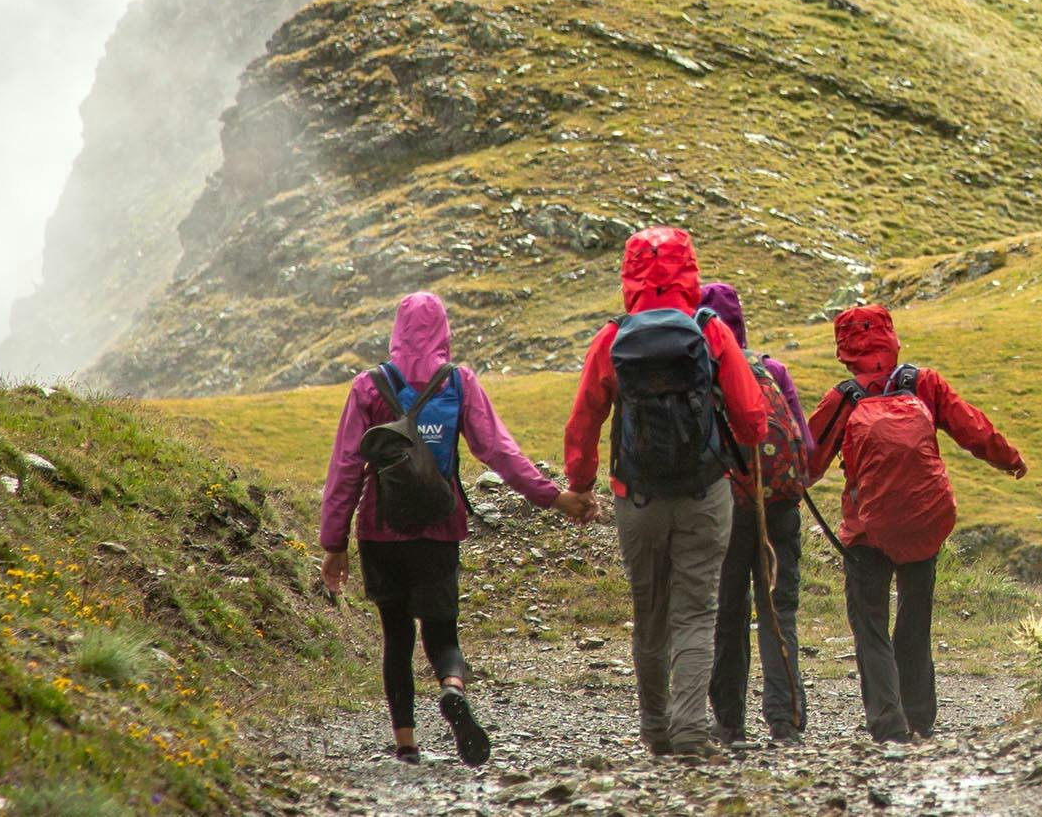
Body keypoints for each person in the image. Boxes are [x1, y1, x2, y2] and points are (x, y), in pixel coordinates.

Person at [320, 291, 589, 766]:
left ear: (396, 330)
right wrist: (553, 496)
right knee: (443, 634)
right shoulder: (458, 382)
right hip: (440, 528)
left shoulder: (368, 386)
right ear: (443, 330)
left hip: (380, 532)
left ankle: (406, 744)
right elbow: (498, 452)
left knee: (396, 637)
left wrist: (334, 543)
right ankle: (451, 688)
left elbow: (345, 468)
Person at [564, 227, 768, 761]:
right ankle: (690, 732)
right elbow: (751, 420)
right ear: (689, 269)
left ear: (629, 274)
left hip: (637, 498)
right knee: (697, 611)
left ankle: (655, 730)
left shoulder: (612, 338)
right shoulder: (711, 331)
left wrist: (580, 486)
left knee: (649, 610)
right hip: (705, 493)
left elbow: (585, 418)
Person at [806, 304, 1027, 743]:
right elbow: (973, 428)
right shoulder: (922, 383)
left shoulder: (843, 399)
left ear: (843, 348)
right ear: (892, 337)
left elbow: (807, 464)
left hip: (866, 530)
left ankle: (888, 723)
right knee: (914, 614)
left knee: (869, 623)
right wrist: (1010, 459)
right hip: (922, 523)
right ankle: (920, 715)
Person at [699, 281, 816, 745]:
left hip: (725, 507)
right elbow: (805, 445)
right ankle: (785, 720)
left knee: (727, 613)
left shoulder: (703, 374)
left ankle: (729, 721)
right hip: (780, 505)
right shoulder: (773, 369)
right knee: (777, 610)